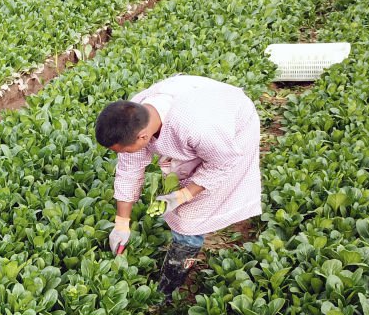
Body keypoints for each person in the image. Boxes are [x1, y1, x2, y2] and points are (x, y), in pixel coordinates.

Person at [94, 74, 262, 301]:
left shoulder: (200, 128)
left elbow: (223, 163)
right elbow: (129, 169)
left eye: (123, 150)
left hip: (232, 125)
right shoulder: (136, 116)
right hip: (202, 112)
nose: (121, 156)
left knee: (190, 217)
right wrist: (122, 223)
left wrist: (185, 194)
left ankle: (168, 288)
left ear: (144, 136)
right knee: (183, 176)